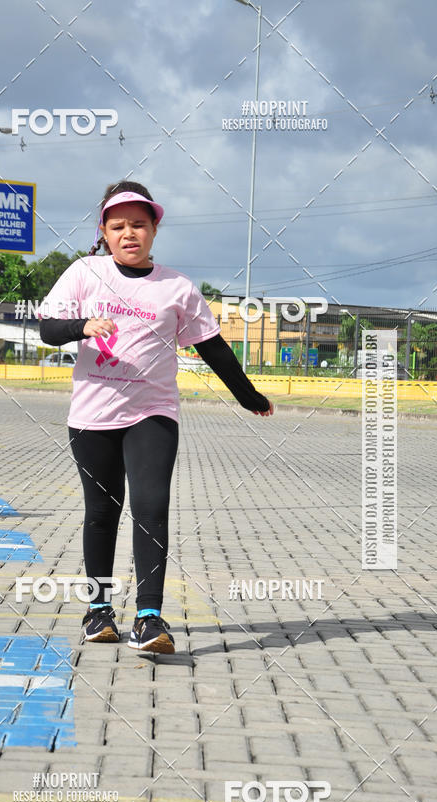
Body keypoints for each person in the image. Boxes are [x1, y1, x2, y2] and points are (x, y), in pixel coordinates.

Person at [39, 180, 273, 655]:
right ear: (103, 230)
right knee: (102, 512)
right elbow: (47, 328)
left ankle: (148, 617)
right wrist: (82, 325)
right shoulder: (85, 273)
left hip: (153, 412)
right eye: (118, 225)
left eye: (139, 225)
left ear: (154, 230)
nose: (130, 233)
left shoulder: (177, 288)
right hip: (92, 415)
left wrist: (248, 395)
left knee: (151, 506)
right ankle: (98, 611)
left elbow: (213, 348)